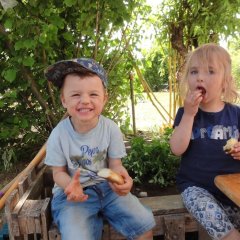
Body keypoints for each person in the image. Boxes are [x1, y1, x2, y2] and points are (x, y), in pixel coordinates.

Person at [44, 58, 155, 240]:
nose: (85, 101)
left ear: (105, 98)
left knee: (144, 224)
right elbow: (58, 173)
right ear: (64, 100)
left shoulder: (110, 128)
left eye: (93, 94)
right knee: (77, 236)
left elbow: (115, 165)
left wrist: (122, 178)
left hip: (108, 189)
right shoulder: (59, 134)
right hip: (72, 195)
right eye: (75, 95)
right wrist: (70, 185)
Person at [169, 43, 240, 240]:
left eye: (210, 71)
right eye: (194, 72)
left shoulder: (236, 114)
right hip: (196, 187)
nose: (200, 77)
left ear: (224, 82)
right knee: (218, 221)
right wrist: (190, 115)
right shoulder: (186, 114)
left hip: (231, 189)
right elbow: (176, 148)